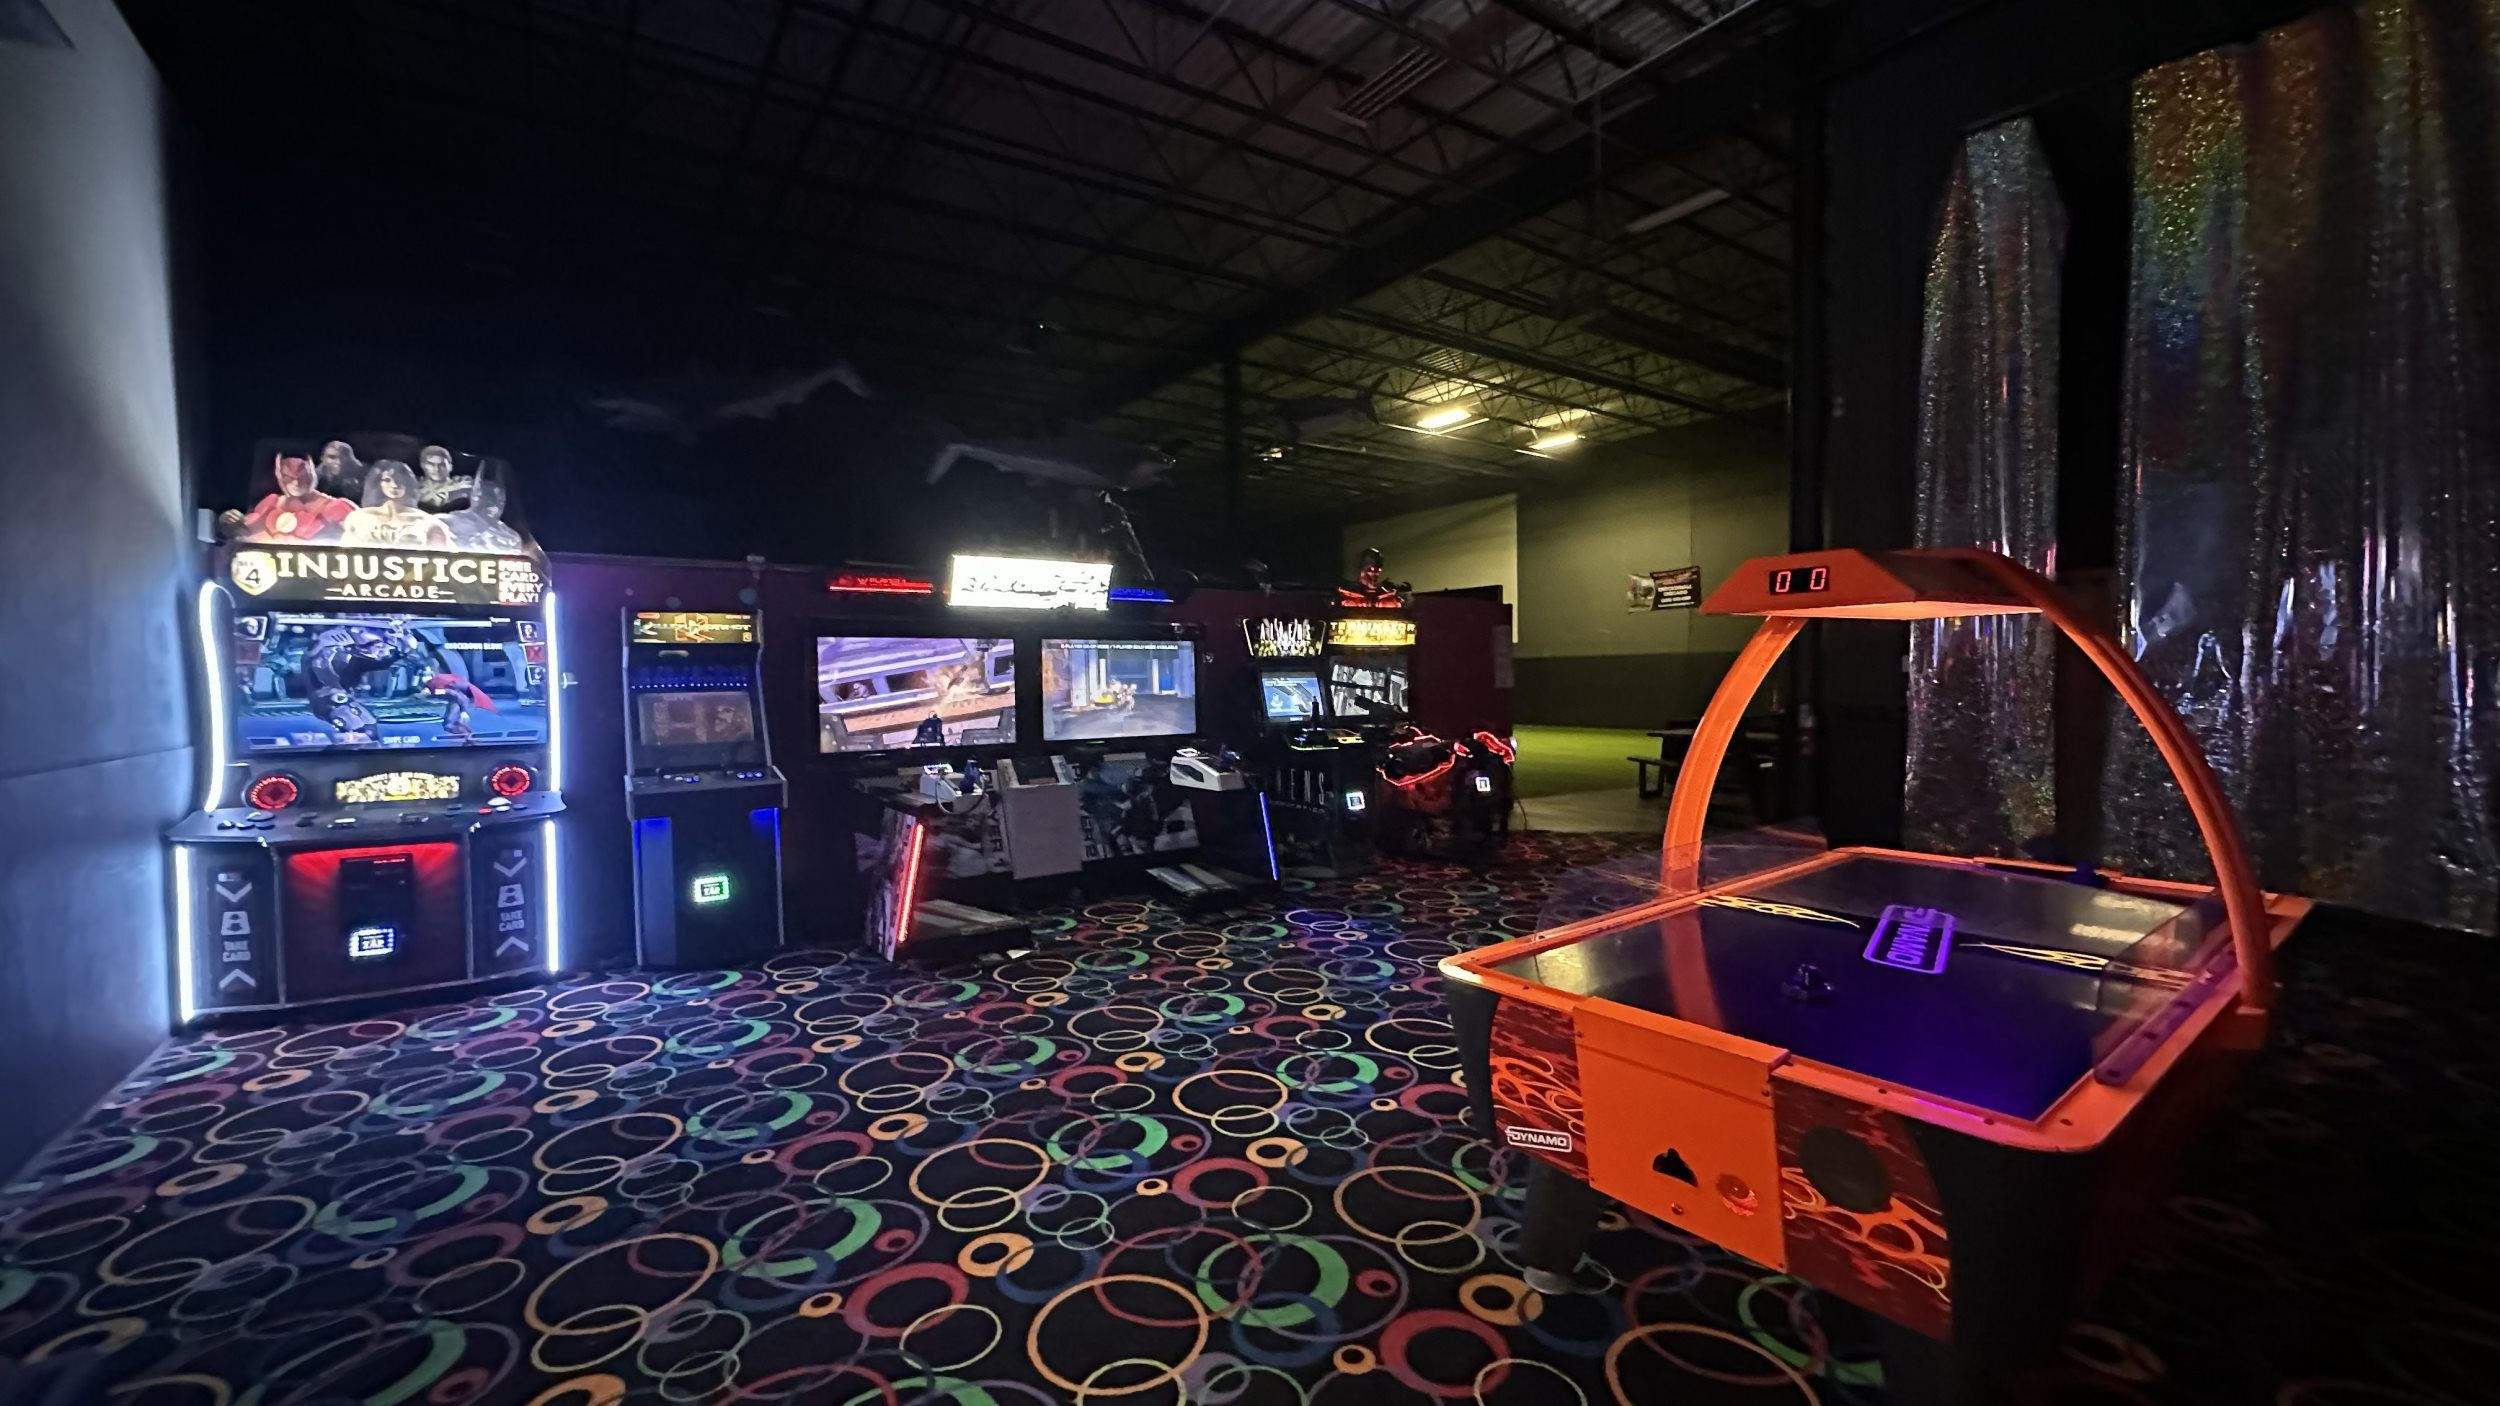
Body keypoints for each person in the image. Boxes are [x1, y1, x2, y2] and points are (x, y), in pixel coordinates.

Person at [220, 451, 353, 543]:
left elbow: (363, 537)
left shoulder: (339, 507)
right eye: (288, 477)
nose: (296, 482)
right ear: (279, 476)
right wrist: (230, 522)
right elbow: (243, 532)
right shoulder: (271, 504)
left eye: (302, 475)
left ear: (313, 472)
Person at [340, 461, 453, 548]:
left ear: (408, 483)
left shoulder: (427, 522)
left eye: (400, 479)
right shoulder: (359, 518)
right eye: (387, 480)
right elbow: (343, 555)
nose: (394, 485)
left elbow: (447, 559)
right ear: (378, 483)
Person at [438, 476, 524, 552]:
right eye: (489, 497)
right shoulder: (450, 522)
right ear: (476, 497)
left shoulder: (511, 537)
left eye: (500, 500)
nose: (494, 505)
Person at [415, 444, 474, 512]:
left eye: (442, 464)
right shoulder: (414, 486)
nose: (436, 469)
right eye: (431, 464)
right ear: (422, 465)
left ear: (450, 467)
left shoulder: (462, 485)